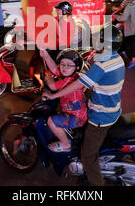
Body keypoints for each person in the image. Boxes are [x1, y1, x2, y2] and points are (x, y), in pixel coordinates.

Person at [43, 25, 125, 186]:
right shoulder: (116, 58)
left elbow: (78, 84)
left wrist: (53, 95)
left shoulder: (101, 67)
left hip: (101, 117)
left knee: (88, 156)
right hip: (114, 108)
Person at [39, 49, 87, 152]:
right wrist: (46, 55)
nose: (64, 68)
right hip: (78, 113)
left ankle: (65, 144)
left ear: (77, 68)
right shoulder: (70, 74)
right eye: (62, 64)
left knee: (51, 121)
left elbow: (52, 86)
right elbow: (54, 68)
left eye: (69, 65)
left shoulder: (69, 80)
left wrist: (48, 77)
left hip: (77, 118)